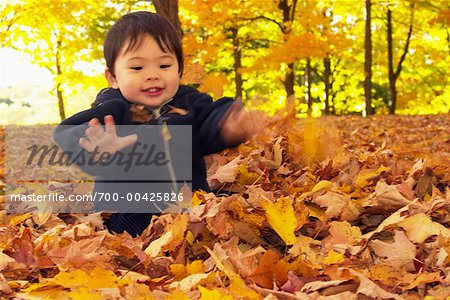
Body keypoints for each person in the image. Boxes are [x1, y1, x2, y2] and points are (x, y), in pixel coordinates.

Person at [54, 11, 252, 237]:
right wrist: (97, 149)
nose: (152, 75)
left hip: (192, 210)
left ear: (179, 69)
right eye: (137, 68)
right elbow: (70, 131)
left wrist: (226, 123)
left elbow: (210, 117)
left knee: (210, 234)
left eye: (164, 65)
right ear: (113, 78)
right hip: (127, 218)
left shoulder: (190, 103)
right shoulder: (113, 110)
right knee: (129, 252)